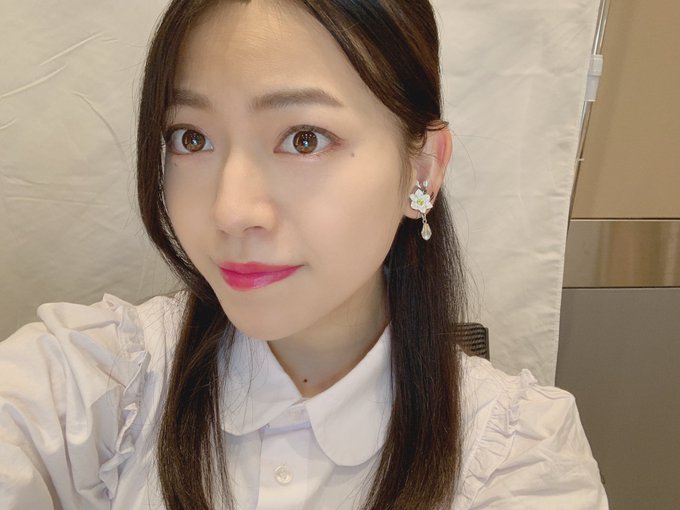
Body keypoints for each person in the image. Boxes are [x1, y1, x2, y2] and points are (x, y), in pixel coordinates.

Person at [0, 0, 608, 508]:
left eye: (304, 139)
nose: (231, 210)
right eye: (192, 137)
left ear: (421, 168)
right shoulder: (100, 385)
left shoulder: (517, 454)